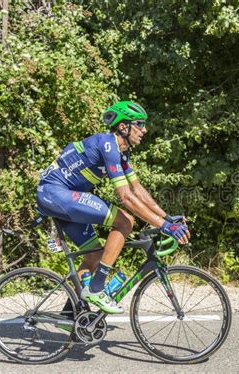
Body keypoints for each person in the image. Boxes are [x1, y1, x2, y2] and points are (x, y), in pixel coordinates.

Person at [36, 101, 190, 314]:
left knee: (95, 254)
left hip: (61, 198)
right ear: (122, 126)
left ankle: (72, 313)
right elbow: (126, 198)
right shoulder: (108, 144)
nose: (144, 130)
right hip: (55, 193)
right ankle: (97, 289)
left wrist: (167, 217)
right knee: (125, 220)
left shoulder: (121, 153)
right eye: (139, 124)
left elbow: (137, 190)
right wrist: (164, 226)